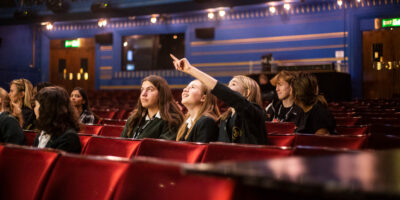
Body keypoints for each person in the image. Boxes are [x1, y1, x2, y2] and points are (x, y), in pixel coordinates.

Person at [171, 54, 267, 145]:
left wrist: (190, 69)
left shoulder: (254, 112)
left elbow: (225, 93)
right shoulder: (225, 118)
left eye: (233, 84)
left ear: (247, 92)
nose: (228, 88)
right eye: (228, 85)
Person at [121, 75, 184, 140]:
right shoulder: (133, 119)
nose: (143, 94)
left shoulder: (172, 121)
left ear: (161, 94)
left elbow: (163, 149)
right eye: (142, 89)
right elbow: (122, 144)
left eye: (150, 89)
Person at [33, 86, 81, 153]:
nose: (34, 109)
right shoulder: (42, 132)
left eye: (36, 105)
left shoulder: (69, 138)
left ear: (47, 109)